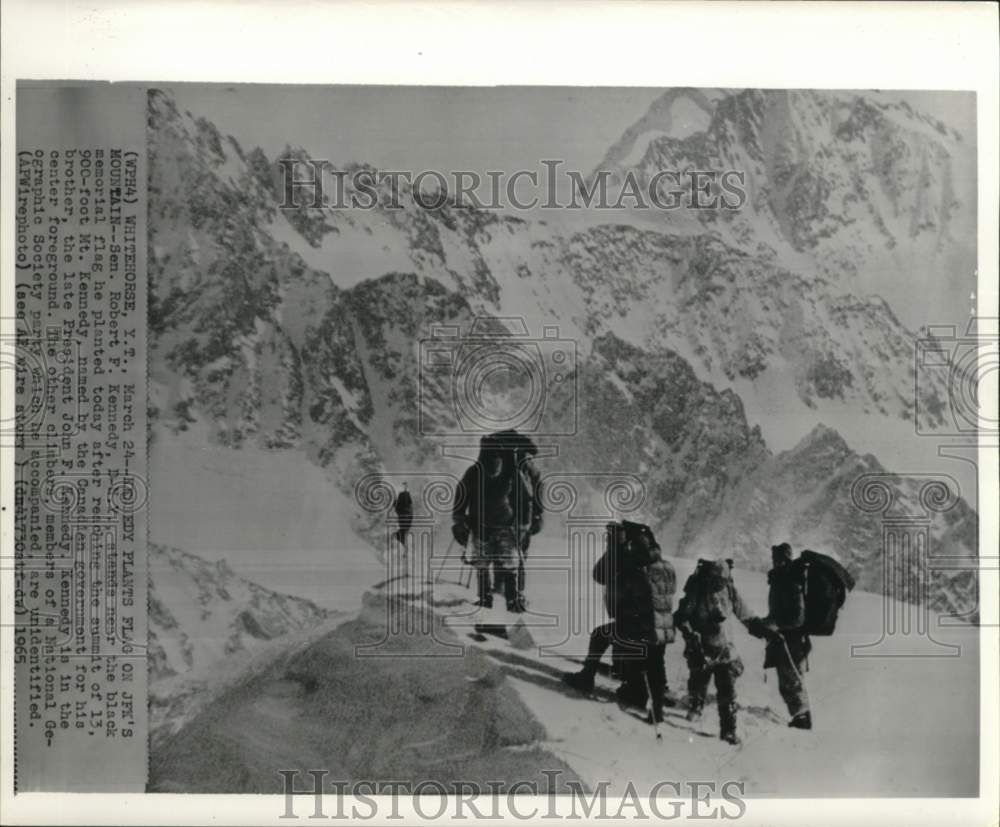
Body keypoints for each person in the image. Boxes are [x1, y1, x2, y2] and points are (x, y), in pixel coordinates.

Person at [563, 521, 676, 725]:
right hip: (663, 629)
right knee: (654, 665)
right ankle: (653, 705)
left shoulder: (634, 568)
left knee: (601, 634)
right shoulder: (666, 566)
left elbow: (601, 576)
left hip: (639, 628)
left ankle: (586, 679)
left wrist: (615, 548)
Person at [451, 431, 543, 612]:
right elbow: (526, 499)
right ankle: (500, 599)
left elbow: (524, 499)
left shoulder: (501, 471)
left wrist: (524, 524)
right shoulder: (486, 471)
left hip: (500, 526)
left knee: (498, 563)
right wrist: (460, 519)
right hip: (492, 525)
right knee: (491, 563)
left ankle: (505, 599)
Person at [673, 558, 755, 745]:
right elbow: (681, 616)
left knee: (727, 688)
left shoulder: (730, 591)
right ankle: (696, 705)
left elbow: (745, 614)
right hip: (701, 648)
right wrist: (690, 633)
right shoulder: (697, 591)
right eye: (716, 580)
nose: (719, 584)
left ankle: (728, 730)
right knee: (698, 681)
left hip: (725, 649)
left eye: (722, 581)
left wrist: (760, 628)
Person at [756, 542, 812, 729]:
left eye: (778, 559)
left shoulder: (791, 580)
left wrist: (776, 624)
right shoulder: (782, 579)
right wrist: (769, 621)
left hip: (792, 639)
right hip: (787, 638)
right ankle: (800, 716)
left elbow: (797, 617)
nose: (775, 562)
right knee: (789, 679)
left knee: (791, 679)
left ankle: (802, 719)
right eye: (774, 559)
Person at [393, 482, 413, 547]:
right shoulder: (404, 495)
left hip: (405, 514)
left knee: (404, 529)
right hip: (405, 513)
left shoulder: (404, 495)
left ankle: (401, 542)